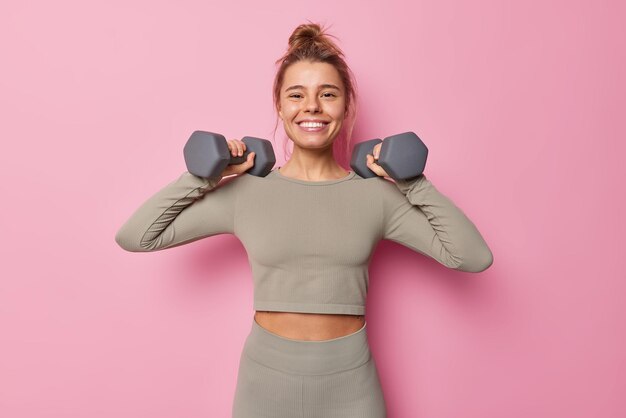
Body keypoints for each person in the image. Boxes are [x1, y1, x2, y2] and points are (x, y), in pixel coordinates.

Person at [115, 21, 493, 418]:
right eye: (297, 95)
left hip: (351, 385)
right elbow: (137, 236)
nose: (311, 107)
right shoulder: (248, 193)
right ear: (279, 106)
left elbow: (471, 256)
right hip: (266, 383)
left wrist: (412, 183)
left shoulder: (377, 197)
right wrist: (204, 177)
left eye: (327, 94)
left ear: (346, 106)